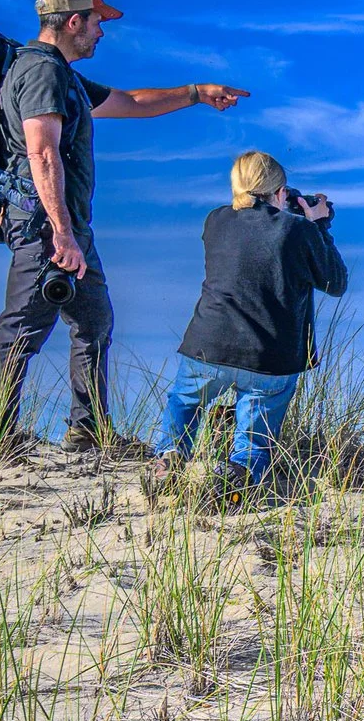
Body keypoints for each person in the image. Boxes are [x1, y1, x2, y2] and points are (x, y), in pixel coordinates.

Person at [0, 0, 250, 456]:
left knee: (94, 319)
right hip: (47, 226)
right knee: (22, 327)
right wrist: (61, 232)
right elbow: (42, 154)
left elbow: (131, 102)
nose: (102, 32)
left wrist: (195, 92)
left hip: (67, 227)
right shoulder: (40, 72)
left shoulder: (63, 76)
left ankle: (89, 432)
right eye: (98, 22)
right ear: (73, 21)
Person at [149, 150, 350, 494]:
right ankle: (236, 479)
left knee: (185, 403)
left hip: (207, 344)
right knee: (255, 437)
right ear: (279, 191)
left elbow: (254, 238)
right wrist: (318, 225)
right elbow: (335, 282)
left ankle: (167, 460)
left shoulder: (215, 221)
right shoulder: (299, 230)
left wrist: (289, 211)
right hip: (270, 357)